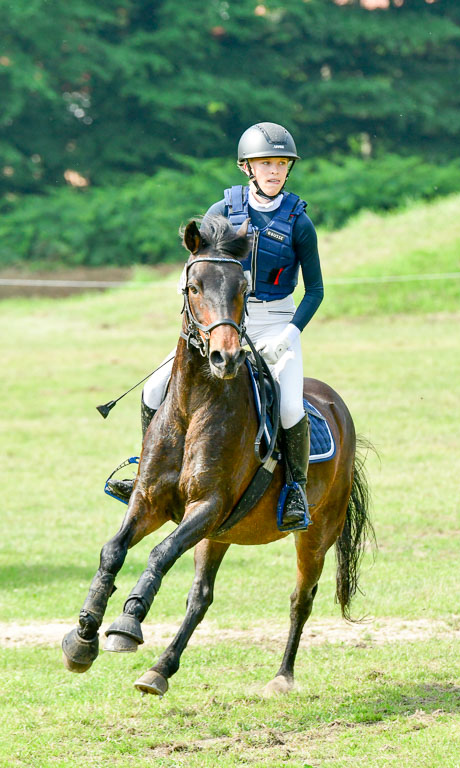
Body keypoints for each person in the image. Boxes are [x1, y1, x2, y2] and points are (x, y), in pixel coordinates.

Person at [108, 122, 324, 531]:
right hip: (221, 319)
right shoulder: (221, 211)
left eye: (281, 164)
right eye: (266, 164)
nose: (274, 171)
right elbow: (196, 264)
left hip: (275, 321)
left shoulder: (299, 223)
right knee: (154, 388)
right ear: (247, 167)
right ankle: (145, 474)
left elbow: (315, 290)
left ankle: (295, 488)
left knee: (291, 406)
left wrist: (289, 335)